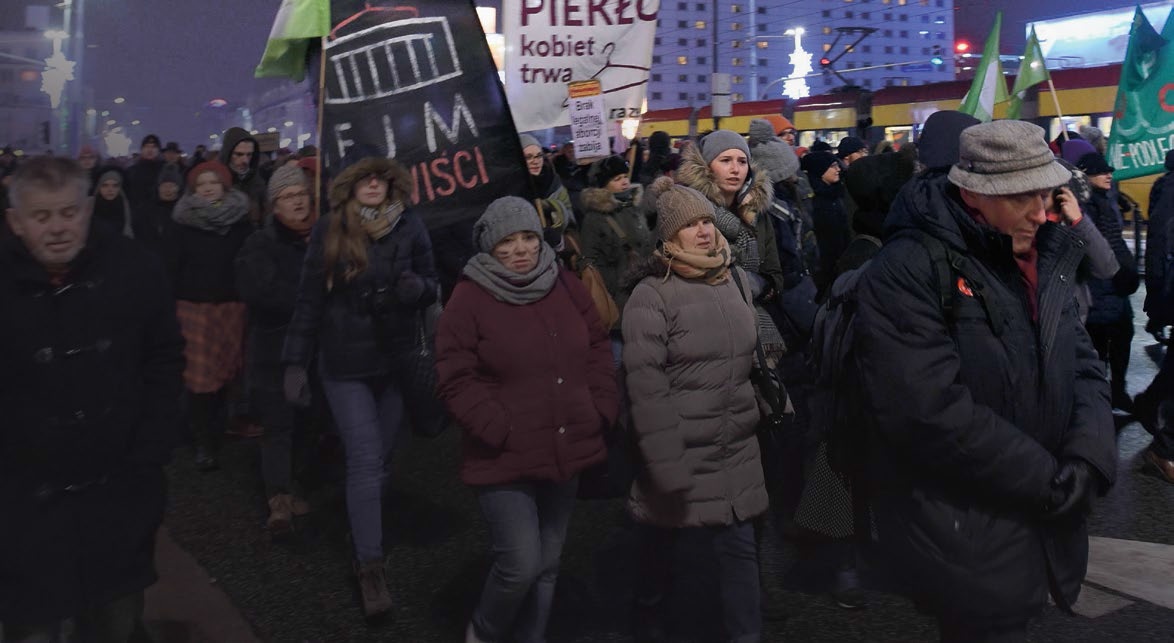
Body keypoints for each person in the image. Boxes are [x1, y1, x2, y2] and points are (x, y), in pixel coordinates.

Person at [854, 120, 1116, 642]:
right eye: (1023, 198)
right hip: (965, 525)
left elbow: (1083, 364)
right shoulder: (908, 267)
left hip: (1039, 513)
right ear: (975, 194)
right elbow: (926, 408)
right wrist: (1047, 481)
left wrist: (1088, 459)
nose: (1042, 213)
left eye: (1045, 193)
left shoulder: (1043, 252)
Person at [0, 156, 184, 642]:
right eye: (41, 217)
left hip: (117, 491)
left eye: (67, 213)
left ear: (87, 209)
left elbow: (163, 359)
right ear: (15, 221)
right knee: (31, 628)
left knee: (112, 623)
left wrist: (150, 450)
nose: (57, 228)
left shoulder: (135, 267)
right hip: (20, 502)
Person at [434, 197, 618, 643]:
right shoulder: (470, 296)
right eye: (507, 242)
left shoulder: (564, 283)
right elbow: (453, 374)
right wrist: (497, 426)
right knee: (520, 563)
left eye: (528, 238)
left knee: (549, 564)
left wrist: (600, 406)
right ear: (488, 247)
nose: (520, 250)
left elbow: (596, 343)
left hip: (568, 438)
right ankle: (484, 631)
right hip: (505, 453)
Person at [282, 156, 438, 620]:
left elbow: (433, 281)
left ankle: (360, 523)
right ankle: (369, 564)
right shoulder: (330, 228)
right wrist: (294, 362)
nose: (374, 184)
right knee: (367, 459)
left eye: (382, 177)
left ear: (393, 184)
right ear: (350, 186)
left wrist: (417, 289)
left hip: (395, 362)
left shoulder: (410, 225)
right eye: (365, 178)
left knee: (383, 458)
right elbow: (309, 299)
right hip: (345, 364)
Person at [623, 179, 768, 643]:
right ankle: (647, 613)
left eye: (707, 220)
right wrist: (664, 460)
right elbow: (645, 386)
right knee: (667, 550)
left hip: (736, 446)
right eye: (690, 226)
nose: (703, 232)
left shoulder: (735, 279)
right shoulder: (652, 295)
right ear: (669, 238)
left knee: (738, 552)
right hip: (681, 449)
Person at [235, 165, 321, 537]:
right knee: (278, 425)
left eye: (301, 193)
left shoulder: (323, 236)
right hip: (275, 350)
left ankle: (295, 481)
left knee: (308, 422)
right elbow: (259, 292)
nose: (298, 201)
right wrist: (309, 301)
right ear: (274, 205)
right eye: (288, 196)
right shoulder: (260, 244)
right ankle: (279, 499)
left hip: (316, 349)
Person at [168, 161, 254, 471]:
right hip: (194, 306)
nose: (207, 188)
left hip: (232, 306)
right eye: (201, 183)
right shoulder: (182, 223)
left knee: (227, 371)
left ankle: (221, 425)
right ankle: (203, 440)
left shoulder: (242, 222)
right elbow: (171, 266)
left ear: (224, 186)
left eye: (213, 182)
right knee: (200, 377)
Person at [676, 130, 786, 363]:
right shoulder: (685, 210)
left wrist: (758, 285)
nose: (735, 169)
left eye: (742, 161)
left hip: (753, 326)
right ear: (706, 166)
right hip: (701, 333)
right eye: (725, 160)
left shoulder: (758, 213)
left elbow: (775, 274)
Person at [1076, 151, 1138, 412]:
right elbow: (1095, 251)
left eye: (1109, 171)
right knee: (1099, 347)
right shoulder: (1083, 206)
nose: (1109, 175)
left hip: (1117, 287)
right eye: (1102, 172)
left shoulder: (1105, 198)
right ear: (1086, 177)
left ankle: (1117, 391)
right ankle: (1101, 399)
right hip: (1099, 289)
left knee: (1124, 336)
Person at [1136, 150, 1174, 483]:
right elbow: (1159, 246)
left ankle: (1148, 404)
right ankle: (1163, 448)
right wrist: (1158, 300)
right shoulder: (1171, 187)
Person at [580, 154, 654, 316]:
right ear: (603, 186)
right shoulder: (594, 217)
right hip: (616, 297)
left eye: (625, 176)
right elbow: (588, 261)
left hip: (642, 290)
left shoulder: (634, 207)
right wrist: (608, 290)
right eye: (617, 179)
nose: (625, 182)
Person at [800, 150, 848, 292]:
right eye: (833, 166)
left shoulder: (836, 193)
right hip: (822, 269)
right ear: (820, 170)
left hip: (839, 264)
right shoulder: (812, 201)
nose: (838, 169)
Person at [519, 132, 574, 248]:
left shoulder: (554, 183)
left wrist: (550, 206)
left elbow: (570, 221)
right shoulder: (513, 188)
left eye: (539, 155)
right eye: (528, 157)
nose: (535, 161)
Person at [219, 127, 267, 225]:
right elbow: (209, 205)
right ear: (228, 153)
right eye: (238, 154)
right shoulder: (215, 180)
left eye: (249, 155)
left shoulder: (258, 182)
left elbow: (267, 215)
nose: (245, 160)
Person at [91, 165, 135, 238]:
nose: (110, 190)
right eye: (105, 185)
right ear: (99, 187)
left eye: (115, 186)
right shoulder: (90, 208)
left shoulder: (127, 207)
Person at [124, 134, 165, 213]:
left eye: (153, 147)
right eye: (147, 146)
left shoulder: (164, 170)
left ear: (158, 150)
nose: (150, 150)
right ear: (141, 149)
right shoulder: (132, 171)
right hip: (136, 214)